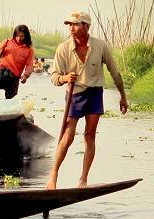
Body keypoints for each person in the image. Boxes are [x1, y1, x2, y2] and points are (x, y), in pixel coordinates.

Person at [47, 11, 128, 189]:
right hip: (75, 94)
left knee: (90, 136)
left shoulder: (100, 46)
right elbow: (54, 77)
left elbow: (115, 72)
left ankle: (83, 179)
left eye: (75, 24)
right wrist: (64, 78)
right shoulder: (63, 49)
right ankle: (53, 175)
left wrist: (123, 96)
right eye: (69, 24)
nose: (71, 28)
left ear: (86, 26)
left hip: (94, 94)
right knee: (67, 137)